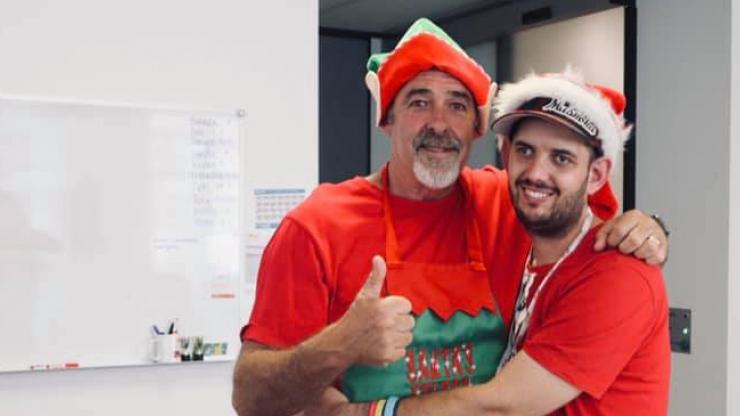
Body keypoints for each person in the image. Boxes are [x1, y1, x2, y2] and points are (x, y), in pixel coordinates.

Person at [232, 19, 669, 416]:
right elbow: (250, 399)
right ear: (386, 119)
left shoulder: (508, 200)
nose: (439, 123)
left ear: (477, 129)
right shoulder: (316, 227)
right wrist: (337, 347)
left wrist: (649, 228)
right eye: (420, 102)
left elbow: (584, 220)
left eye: (458, 106)